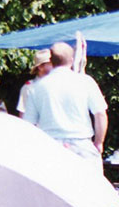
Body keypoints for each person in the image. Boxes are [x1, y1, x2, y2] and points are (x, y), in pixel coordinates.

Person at [24, 42, 109, 171]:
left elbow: (28, 125)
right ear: (72, 59)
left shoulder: (36, 88)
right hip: (82, 145)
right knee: (90, 189)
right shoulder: (85, 82)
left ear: (51, 60)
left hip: (50, 146)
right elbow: (100, 114)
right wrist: (99, 143)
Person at [16, 49, 52, 118]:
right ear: (40, 67)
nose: (54, 66)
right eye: (51, 63)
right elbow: (23, 114)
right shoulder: (29, 88)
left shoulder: (57, 84)